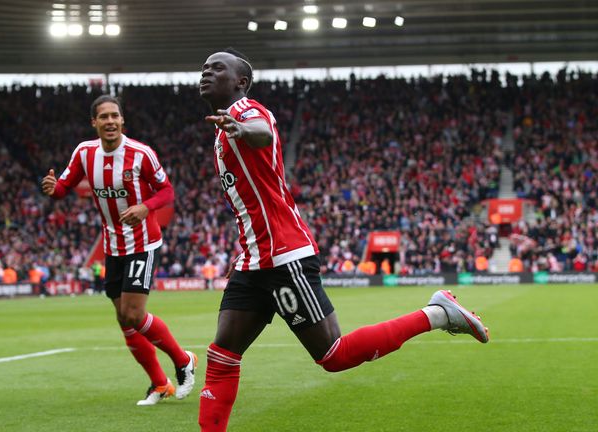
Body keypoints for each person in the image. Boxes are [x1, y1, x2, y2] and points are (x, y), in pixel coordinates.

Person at [197, 48, 490, 431]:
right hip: (253, 260)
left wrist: (240, 128)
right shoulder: (222, 129)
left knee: (332, 355)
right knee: (222, 355)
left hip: (284, 255)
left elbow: (262, 131)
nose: (206, 72)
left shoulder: (247, 111)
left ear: (241, 82)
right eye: (204, 68)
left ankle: (436, 314)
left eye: (217, 68)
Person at [42, 95, 197, 406]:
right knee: (123, 320)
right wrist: (52, 189)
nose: (110, 121)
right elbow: (64, 187)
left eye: (115, 116)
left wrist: (145, 206)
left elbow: (167, 191)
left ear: (122, 121)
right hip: (113, 245)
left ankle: (184, 361)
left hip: (142, 242)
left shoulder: (141, 154)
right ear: (94, 123)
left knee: (134, 314)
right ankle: (159, 384)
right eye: (104, 117)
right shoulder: (85, 153)